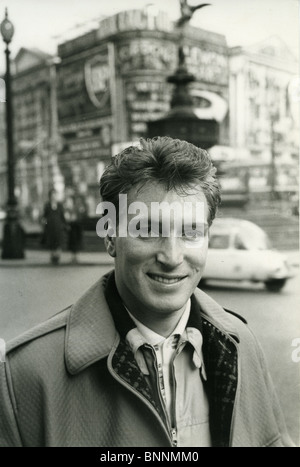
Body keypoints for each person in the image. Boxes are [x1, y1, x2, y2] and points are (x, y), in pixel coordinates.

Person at [0, 137, 294, 447]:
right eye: (148, 230)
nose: (172, 256)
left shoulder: (240, 346)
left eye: (190, 232)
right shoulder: (24, 376)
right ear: (111, 237)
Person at [41, 188, 66, 264]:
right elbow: (44, 217)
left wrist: (64, 225)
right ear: (50, 196)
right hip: (50, 227)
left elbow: (62, 216)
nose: (53, 196)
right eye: (52, 195)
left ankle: (57, 257)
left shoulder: (60, 205)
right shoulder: (47, 205)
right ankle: (52, 256)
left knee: (58, 241)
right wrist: (45, 225)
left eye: (55, 194)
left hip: (58, 226)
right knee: (51, 242)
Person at [64, 194, 86, 263]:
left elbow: (82, 216)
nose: (78, 201)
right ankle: (73, 256)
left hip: (78, 227)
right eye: (77, 200)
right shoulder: (72, 208)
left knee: (77, 242)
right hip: (73, 228)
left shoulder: (80, 207)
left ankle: (75, 256)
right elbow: (70, 217)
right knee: (73, 242)